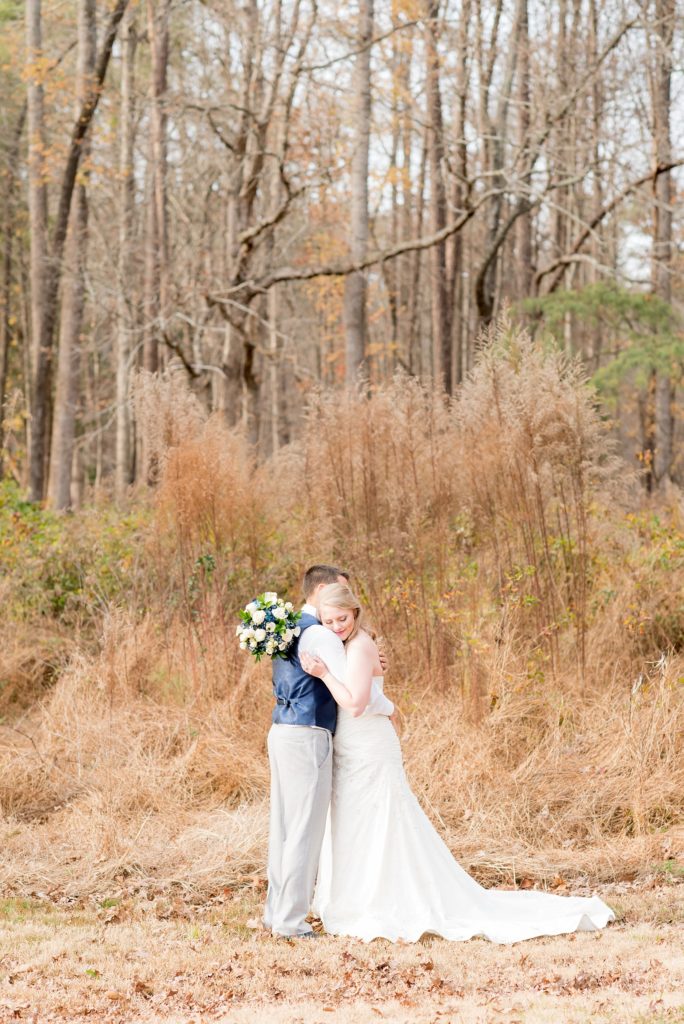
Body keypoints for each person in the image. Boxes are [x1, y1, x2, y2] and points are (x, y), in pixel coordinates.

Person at [300, 583, 615, 944]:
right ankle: (361, 894)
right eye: (329, 620)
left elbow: (355, 704)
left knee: (380, 820)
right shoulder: (349, 645)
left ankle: (382, 899)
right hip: (355, 747)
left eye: (343, 618)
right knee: (358, 823)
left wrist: (323, 674)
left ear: (355, 612)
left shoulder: (358, 647)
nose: (337, 625)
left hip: (369, 747)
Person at [263, 565, 394, 939]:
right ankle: (291, 923)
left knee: (285, 828)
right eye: (339, 593)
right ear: (320, 590)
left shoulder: (288, 625)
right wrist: (387, 701)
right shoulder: (321, 635)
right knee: (304, 829)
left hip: (282, 729)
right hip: (307, 733)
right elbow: (356, 697)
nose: (343, 606)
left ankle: (276, 913)